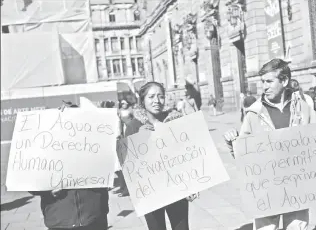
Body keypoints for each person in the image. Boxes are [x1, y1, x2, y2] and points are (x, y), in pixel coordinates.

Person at [224, 59, 316, 230]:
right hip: (266, 189)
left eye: (269, 81)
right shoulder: (254, 114)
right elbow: (243, 156)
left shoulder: (303, 108)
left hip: (297, 187)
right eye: (263, 82)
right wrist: (233, 143)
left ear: (284, 81)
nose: (264, 87)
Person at [123, 82, 199, 230]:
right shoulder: (134, 126)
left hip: (176, 187)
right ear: (143, 100)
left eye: (161, 96)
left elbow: (188, 154)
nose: (156, 101)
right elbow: (126, 162)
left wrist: (192, 183)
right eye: (151, 97)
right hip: (150, 191)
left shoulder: (175, 120)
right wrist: (140, 140)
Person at [30, 101, 109, 230]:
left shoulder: (94, 145)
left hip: (94, 217)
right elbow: (29, 182)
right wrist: (48, 190)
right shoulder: (44, 150)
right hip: (60, 220)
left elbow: (113, 168)